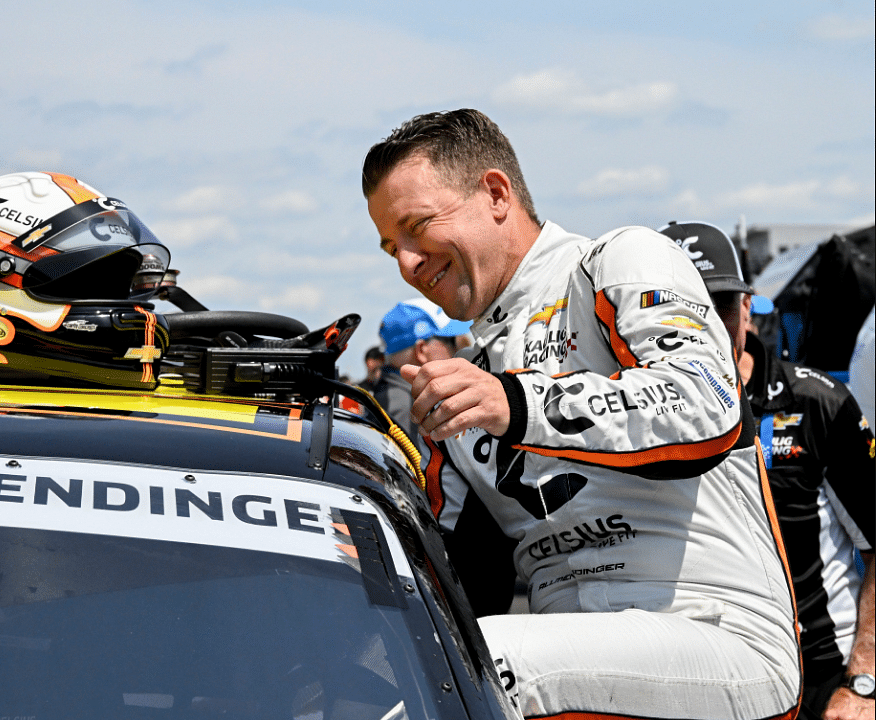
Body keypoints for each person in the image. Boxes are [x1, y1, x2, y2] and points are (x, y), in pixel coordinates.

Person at [362, 109, 799, 719]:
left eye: (417, 226)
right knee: (373, 676)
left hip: (717, 633)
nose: (407, 263)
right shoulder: (465, 376)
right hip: (564, 650)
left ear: (495, 194)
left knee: (460, 667)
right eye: (391, 247)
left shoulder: (617, 260)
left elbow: (708, 410)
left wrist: (516, 403)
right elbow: (462, 579)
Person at [662, 220, 874, 720]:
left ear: (747, 308)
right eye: (683, 311)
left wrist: (864, 681)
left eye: (717, 306)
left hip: (824, 681)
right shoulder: (629, 419)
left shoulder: (817, 403)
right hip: (702, 680)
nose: (705, 328)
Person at [373, 298, 464, 462]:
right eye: (450, 341)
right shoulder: (405, 407)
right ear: (422, 350)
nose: (457, 349)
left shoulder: (395, 396)